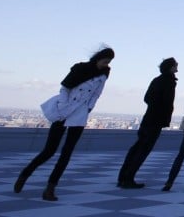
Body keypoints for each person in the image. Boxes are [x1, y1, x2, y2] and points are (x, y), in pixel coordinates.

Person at [14, 47, 115, 201]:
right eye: (104, 61)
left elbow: (97, 93)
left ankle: (50, 189)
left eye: (108, 62)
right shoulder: (81, 68)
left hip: (80, 114)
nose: (106, 64)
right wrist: (63, 106)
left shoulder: (104, 73)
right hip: (64, 110)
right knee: (49, 150)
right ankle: (25, 174)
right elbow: (65, 88)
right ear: (98, 58)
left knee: (66, 154)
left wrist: (88, 109)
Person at [117, 57, 178, 189]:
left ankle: (122, 177)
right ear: (171, 67)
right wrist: (163, 113)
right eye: (175, 64)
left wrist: (154, 108)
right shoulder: (169, 81)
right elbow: (167, 102)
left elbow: (147, 98)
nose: (177, 66)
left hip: (148, 118)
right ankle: (128, 178)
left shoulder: (157, 80)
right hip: (156, 120)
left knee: (137, 148)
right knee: (143, 150)